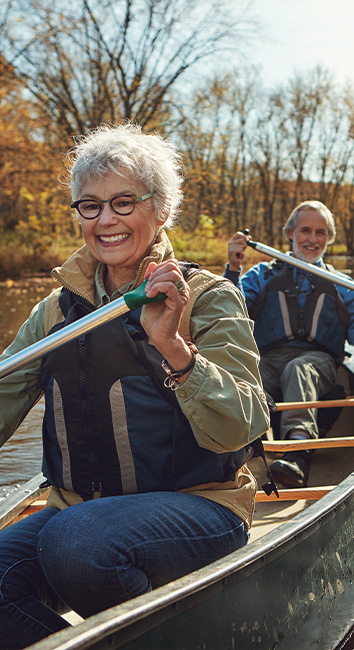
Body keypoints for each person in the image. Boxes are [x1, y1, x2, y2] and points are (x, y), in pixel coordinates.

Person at [0, 122, 270, 649]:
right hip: (75, 511)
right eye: (90, 205)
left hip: (198, 508)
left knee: (76, 544)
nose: (105, 220)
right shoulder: (55, 311)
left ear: (162, 210)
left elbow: (244, 422)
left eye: (124, 203)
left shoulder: (207, 297)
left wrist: (174, 349)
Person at [224, 200, 354, 489]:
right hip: (268, 360)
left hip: (318, 363)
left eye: (321, 232)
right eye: (305, 230)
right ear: (290, 233)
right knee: (244, 374)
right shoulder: (261, 275)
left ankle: (298, 453)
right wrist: (234, 268)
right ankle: (234, 454)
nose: (313, 239)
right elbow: (227, 314)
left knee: (298, 369)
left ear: (329, 238)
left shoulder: (341, 284)